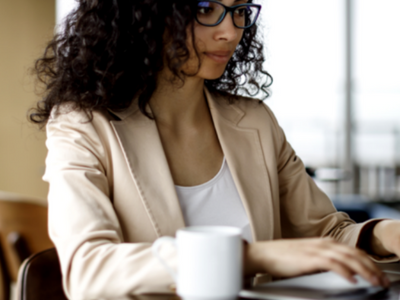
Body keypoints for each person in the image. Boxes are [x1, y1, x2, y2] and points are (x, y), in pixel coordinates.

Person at [30, 0, 400, 299]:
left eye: (239, 10)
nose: (229, 32)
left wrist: (384, 234)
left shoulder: (255, 121)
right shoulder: (82, 124)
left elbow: (326, 235)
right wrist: (247, 256)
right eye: (204, 8)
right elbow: (88, 268)